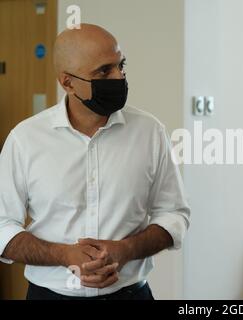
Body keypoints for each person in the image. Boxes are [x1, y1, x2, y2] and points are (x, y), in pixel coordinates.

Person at [0, 24, 190, 300]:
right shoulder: (25, 139)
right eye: (104, 71)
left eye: (120, 65)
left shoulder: (150, 132)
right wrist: (63, 255)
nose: (119, 77)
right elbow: (2, 225)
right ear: (68, 82)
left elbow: (174, 214)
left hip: (131, 294)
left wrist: (127, 250)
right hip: (49, 294)